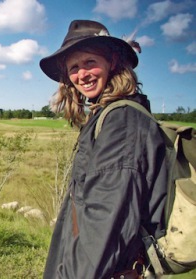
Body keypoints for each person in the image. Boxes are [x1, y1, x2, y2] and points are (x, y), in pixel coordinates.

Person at [39, 20, 168, 278]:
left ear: (113, 61)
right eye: (74, 67)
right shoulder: (106, 116)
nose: (82, 74)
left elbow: (105, 223)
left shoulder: (121, 123)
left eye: (89, 62)